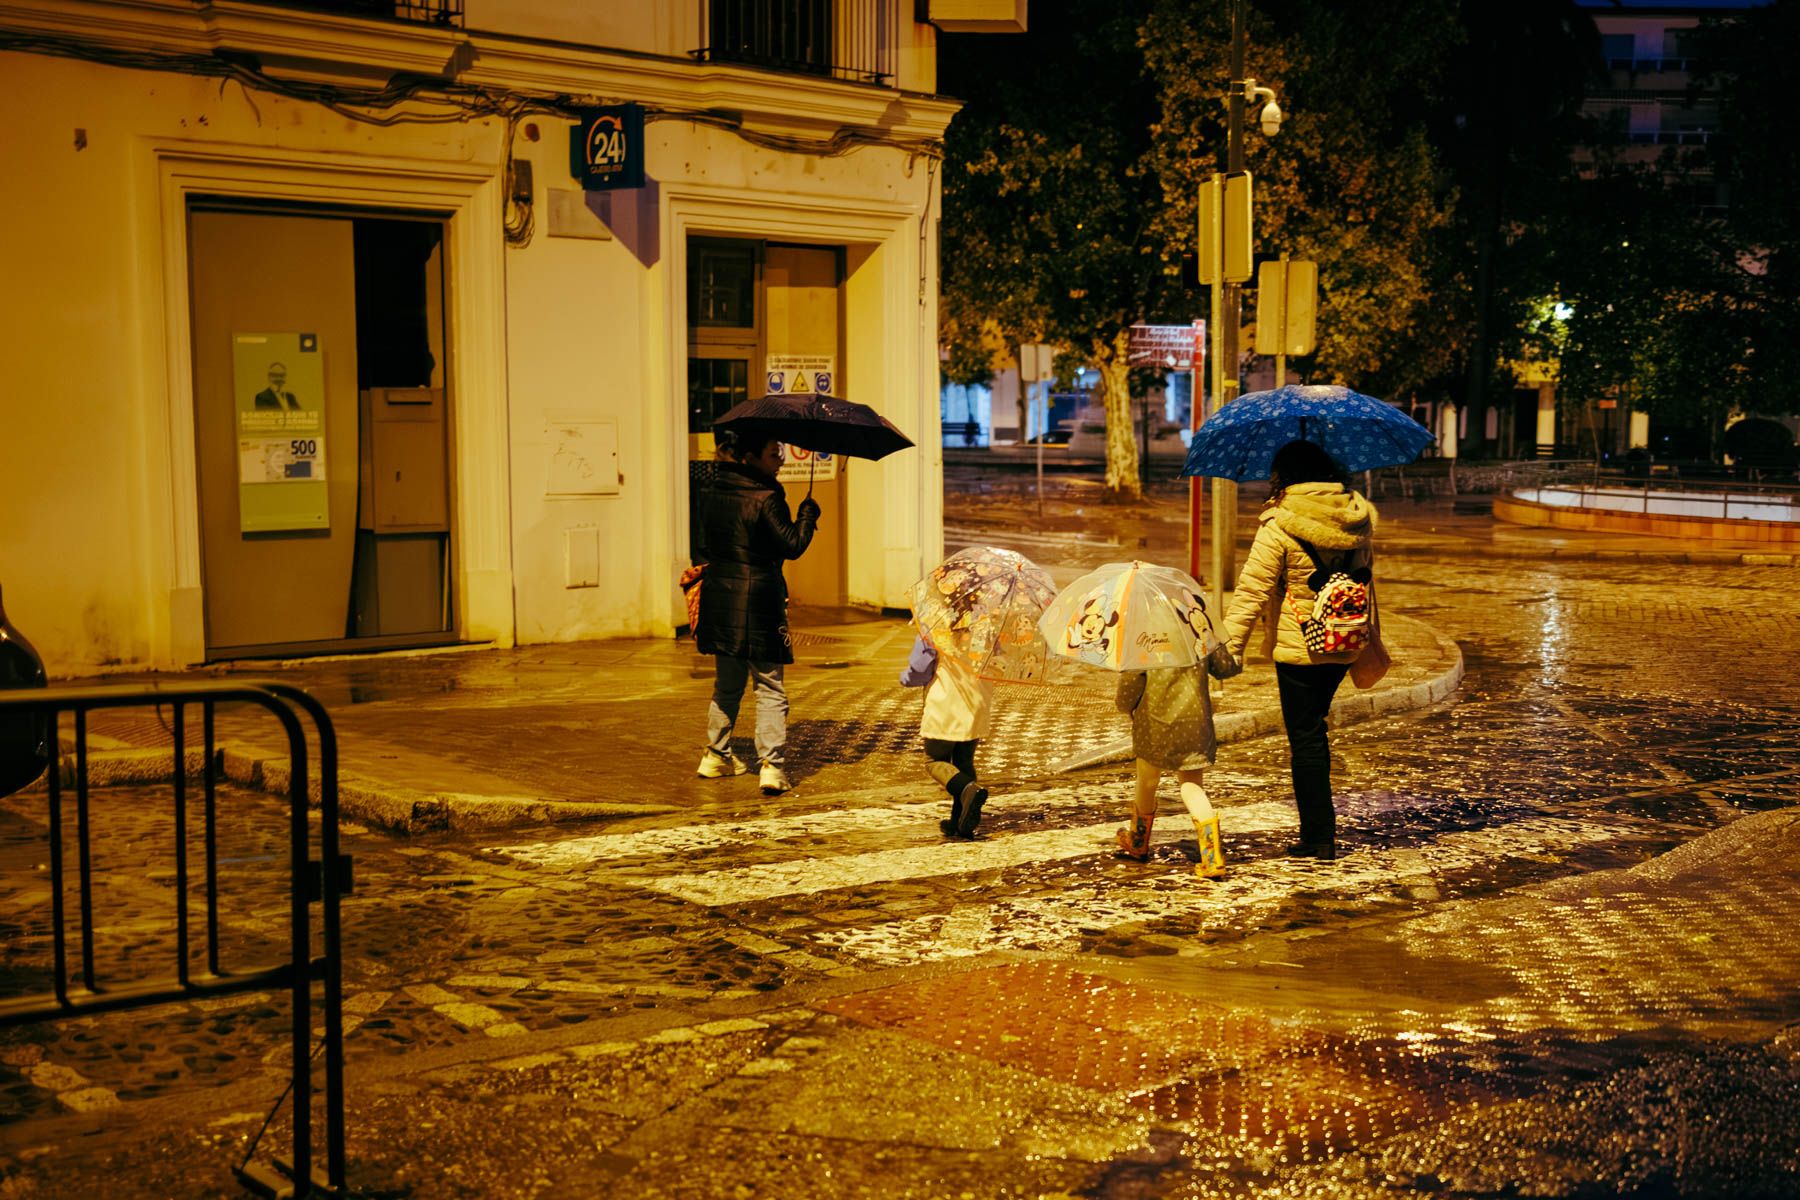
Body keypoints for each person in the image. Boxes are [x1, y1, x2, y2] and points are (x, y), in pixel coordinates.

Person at [1221, 440, 1377, 860]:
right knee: (1315, 729)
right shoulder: (1357, 517)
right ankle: (1318, 831)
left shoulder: (1279, 524)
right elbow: (1366, 578)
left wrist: (1229, 648)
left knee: (1306, 737)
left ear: (1284, 476)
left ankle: (1318, 837)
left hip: (1300, 648)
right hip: (1346, 642)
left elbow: (1252, 590)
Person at [693, 431, 820, 795]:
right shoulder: (767, 496)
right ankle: (772, 766)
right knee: (769, 686)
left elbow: (703, 544)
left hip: (720, 597)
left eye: (781, 450)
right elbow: (792, 544)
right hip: (760, 600)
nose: (780, 458)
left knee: (728, 685)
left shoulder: (712, 491)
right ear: (751, 456)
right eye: (773, 452)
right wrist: (807, 516)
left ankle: (715, 755)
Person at [1113, 619, 1240, 873]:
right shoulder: (1198, 627)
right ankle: (1212, 856)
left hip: (1154, 722)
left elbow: (1129, 686)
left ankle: (1138, 843)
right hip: (1195, 723)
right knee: (1192, 787)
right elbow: (1226, 667)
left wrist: (1126, 708)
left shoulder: (1143, 634)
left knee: (1147, 781)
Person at [898, 633, 995, 839]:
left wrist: (905, 677)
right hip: (977, 701)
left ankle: (967, 789)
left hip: (945, 703)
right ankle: (959, 821)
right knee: (964, 762)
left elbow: (920, 667)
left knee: (934, 761)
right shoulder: (990, 624)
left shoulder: (936, 623)